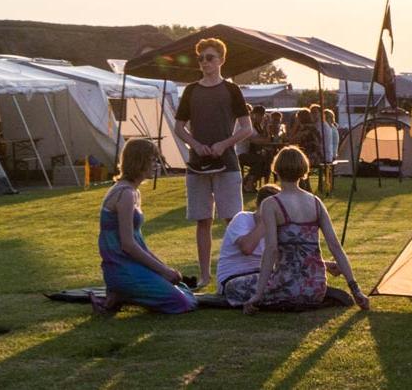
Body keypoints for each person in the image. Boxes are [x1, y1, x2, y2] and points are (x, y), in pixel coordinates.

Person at [238, 146, 370, 314]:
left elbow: (271, 250)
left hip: (287, 286)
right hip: (315, 288)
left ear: (276, 170)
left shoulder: (271, 204)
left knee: (233, 287)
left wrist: (258, 295)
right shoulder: (316, 202)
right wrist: (356, 289)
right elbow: (335, 247)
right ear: (304, 170)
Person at [174, 37, 254, 289]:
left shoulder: (232, 90)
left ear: (221, 60)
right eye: (201, 58)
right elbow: (179, 127)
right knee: (202, 220)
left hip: (227, 164)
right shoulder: (191, 91)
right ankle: (205, 275)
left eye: (209, 57)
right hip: (197, 165)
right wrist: (195, 144)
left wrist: (224, 144)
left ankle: (235, 272)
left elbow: (247, 128)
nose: (204, 63)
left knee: (233, 220)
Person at [92, 138, 197, 314]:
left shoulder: (133, 192)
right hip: (120, 266)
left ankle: (120, 295)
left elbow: (138, 242)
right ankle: (122, 292)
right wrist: (163, 270)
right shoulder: (124, 194)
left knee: (184, 289)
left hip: (130, 263)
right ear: (139, 161)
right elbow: (128, 244)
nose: (157, 164)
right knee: (182, 302)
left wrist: (166, 270)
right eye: (152, 160)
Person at [216, 184, 281, 294]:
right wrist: (265, 222)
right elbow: (247, 248)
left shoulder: (278, 226)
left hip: (262, 275)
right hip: (234, 277)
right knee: (271, 287)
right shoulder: (242, 218)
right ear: (257, 205)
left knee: (290, 281)